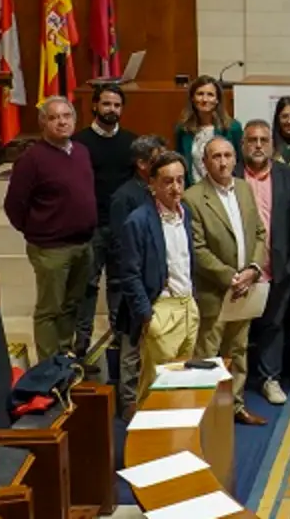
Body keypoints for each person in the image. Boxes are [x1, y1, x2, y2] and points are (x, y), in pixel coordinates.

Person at [4, 97, 96, 361]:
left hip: (83, 243)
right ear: (43, 122)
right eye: (54, 117)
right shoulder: (32, 159)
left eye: (66, 116)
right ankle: (47, 366)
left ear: (75, 120)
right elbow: (14, 204)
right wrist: (36, 231)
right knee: (50, 309)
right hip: (50, 248)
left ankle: (63, 356)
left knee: (71, 305)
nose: (62, 121)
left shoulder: (81, 151)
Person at [185, 136, 269, 425]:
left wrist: (254, 269)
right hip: (214, 291)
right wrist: (230, 277)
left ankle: (235, 406)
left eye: (227, 155)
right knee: (208, 355)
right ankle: (208, 414)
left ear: (236, 159)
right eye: (216, 157)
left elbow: (259, 232)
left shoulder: (244, 189)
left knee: (238, 350)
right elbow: (197, 248)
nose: (223, 162)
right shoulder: (193, 197)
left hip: (245, 288)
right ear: (205, 162)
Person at [115, 152, 198, 407]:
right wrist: (147, 316)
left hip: (188, 308)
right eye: (168, 181)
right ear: (152, 184)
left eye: (180, 180)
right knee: (156, 387)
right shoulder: (138, 221)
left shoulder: (186, 214)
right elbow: (129, 274)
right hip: (160, 310)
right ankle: (150, 443)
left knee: (182, 383)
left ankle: (177, 440)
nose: (175, 188)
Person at [71, 83, 135, 359]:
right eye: (106, 104)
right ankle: (81, 342)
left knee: (119, 285)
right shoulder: (79, 143)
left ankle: (119, 337)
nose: (112, 110)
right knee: (88, 285)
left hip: (122, 227)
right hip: (91, 227)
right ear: (95, 106)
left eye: (117, 105)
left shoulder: (132, 142)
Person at [238, 120, 290, 405]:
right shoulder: (232, 174)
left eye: (264, 139)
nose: (258, 145)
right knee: (236, 328)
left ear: (272, 145)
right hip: (238, 267)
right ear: (243, 145)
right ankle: (233, 384)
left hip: (277, 266)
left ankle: (269, 378)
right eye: (252, 140)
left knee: (274, 325)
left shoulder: (288, 176)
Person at [109, 134, 167, 415]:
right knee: (132, 345)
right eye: (158, 157)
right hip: (135, 284)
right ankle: (129, 401)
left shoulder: (162, 191)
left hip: (162, 282)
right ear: (143, 164)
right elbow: (122, 247)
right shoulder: (125, 197)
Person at [174, 75, 242, 185]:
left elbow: (240, 163)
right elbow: (180, 165)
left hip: (223, 189)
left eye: (210, 95)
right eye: (200, 94)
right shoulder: (183, 129)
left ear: (217, 100)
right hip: (193, 192)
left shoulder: (232, 128)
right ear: (192, 98)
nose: (205, 99)